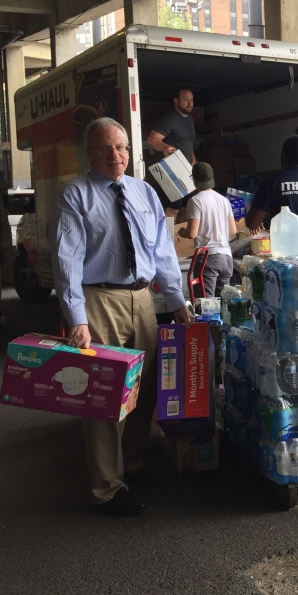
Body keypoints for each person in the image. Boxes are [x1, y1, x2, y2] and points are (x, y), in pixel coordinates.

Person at [49, 117, 191, 517]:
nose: (116, 155)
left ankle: (133, 463)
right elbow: (67, 260)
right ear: (89, 153)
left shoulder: (144, 191)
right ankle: (107, 489)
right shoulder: (75, 195)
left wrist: (177, 301)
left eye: (122, 147)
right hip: (99, 301)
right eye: (106, 148)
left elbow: (162, 252)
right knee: (105, 395)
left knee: (143, 390)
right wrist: (76, 316)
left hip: (142, 299)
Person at [178, 162, 236, 297]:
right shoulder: (224, 200)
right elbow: (232, 230)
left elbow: (192, 233)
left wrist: (182, 232)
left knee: (206, 305)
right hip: (226, 258)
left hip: (208, 258)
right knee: (223, 304)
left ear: (194, 179)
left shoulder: (195, 201)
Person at [147, 87, 197, 216]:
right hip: (170, 171)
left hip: (186, 170)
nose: (189, 103)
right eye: (185, 100)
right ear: (176, 101)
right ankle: (168, 236)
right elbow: (153, 139)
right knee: (172, 208)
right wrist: (165, 147)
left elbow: (188, 142)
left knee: (186, 207)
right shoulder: (169, 119)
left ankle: (181, 236)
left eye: (191, 100)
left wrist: (193, 160)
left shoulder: (190, 120)